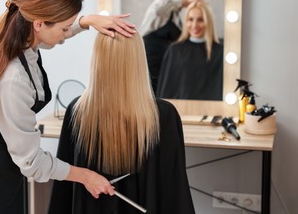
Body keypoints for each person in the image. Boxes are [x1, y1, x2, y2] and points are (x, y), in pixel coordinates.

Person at [0, 0, 136, 214]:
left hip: (0, 165)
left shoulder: (22, 37)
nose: (66, 35)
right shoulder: (12, 77)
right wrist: (85, 176)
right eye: (65, 29)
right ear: (39, 23)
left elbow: (54, 33)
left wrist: (87, 21)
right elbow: (32, 163)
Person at [48, 32, 195, 214]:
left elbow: (63, 195)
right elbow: (174, 190)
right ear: (139, 60)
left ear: (97, 59)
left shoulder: (77, 111)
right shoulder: (164, 115)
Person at [139, 0, 204, 94]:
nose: (194, 0)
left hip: (164, 58)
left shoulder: (177, 15)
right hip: (149, 55)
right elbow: (159, 10)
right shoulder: (163, 2)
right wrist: (184, 1)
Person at [157, 0, 223, 100]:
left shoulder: (220, 52)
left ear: (208, 22)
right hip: (181, 112)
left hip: (212, 112)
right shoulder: (175, 51)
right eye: (190, 19)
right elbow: (165, 90)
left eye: (201, 20)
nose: (194, 25)